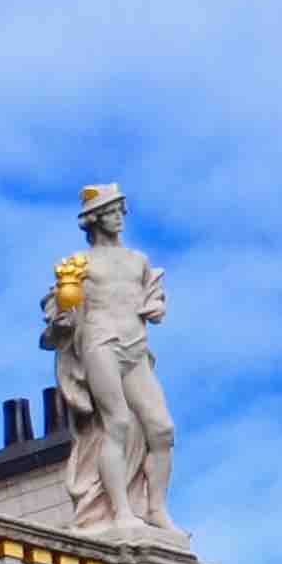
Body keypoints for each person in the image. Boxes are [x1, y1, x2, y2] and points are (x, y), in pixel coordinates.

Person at [39, 182, 175, 531]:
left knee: (161, 429)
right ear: (95, 218)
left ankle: (156, 509)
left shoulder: (138, 260)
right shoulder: (77, 265)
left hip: (135, 347)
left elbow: (152, 300)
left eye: (121, 211)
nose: (120, 218)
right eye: (113, 212)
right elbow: (55, 322)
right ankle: (121, 512)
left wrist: (156, 306)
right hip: (100, 342)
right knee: (116, 423)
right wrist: (62, 319)